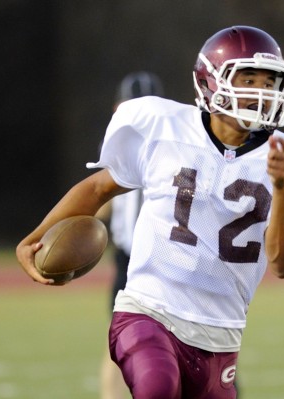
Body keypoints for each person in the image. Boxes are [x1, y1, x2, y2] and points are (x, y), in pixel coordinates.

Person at [17, 25, 284, 399]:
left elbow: (283, 264)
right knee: (157, 388)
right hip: (148, 311)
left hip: (221, 333)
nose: (260, 92)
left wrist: (280, 189)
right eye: (248, 78)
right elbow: (98, 188)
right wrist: (36, 238)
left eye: (270, 82)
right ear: (210, 80)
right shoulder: (163, 128)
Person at [98, 71, 165, 399]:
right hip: (129, 257)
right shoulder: (115, 148)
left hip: (171, 254)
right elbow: (101, 203)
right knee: (119, 343)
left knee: (194, 340)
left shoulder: (176, 146)